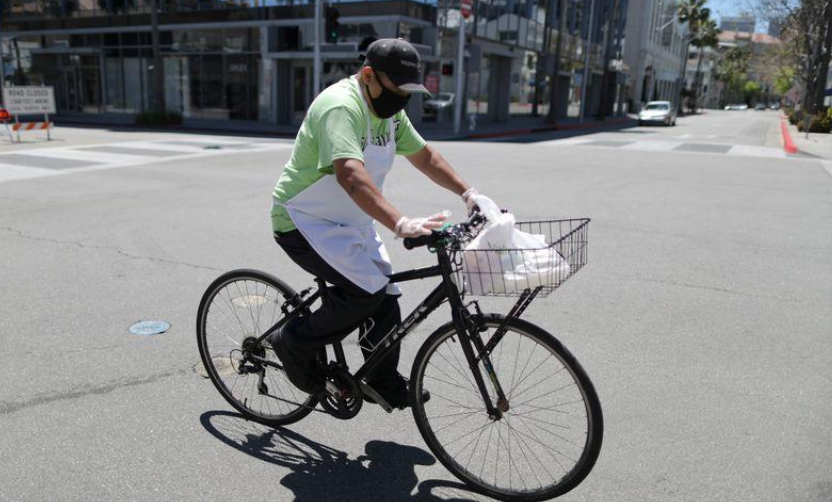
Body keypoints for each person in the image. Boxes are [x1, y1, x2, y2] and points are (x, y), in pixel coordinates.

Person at [269, 38, 484, 410]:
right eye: (397, 89)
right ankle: (293, 341)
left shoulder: (389, 111)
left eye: (408, 92)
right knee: (364, 293)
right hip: (304, 220)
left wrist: (470, 195)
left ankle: (380, 380)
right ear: (368, 75)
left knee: (386, 296)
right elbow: (350, 176)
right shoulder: (341, 106)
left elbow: (424, 155)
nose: (402, 99)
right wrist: (399, 223)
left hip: (349, 220)